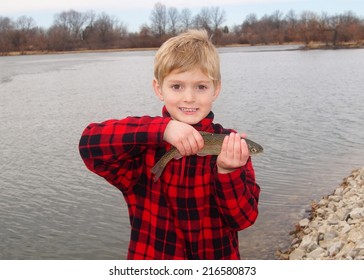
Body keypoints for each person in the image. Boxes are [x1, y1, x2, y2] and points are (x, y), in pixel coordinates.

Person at [79, 29, 260, 260]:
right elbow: (89, 144)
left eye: (201, 87)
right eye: (177, 86)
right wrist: (161, 129)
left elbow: (243, 220)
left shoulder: (232, 146)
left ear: (216, 89)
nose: (189, 98)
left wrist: (228, 172)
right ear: (158, 89)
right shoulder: (143, 148)